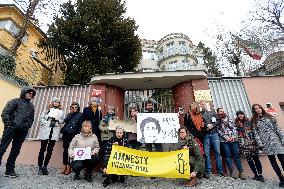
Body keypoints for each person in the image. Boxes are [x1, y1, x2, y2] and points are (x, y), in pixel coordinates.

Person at [0, 86, 36, 178]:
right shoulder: (15, 101)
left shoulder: (31, 106)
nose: (30, 95)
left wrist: (27, 126)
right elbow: (5, 113)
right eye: (29, 93)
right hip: (11, 128)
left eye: (32, 94)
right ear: (24, 92)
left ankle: (9, 170)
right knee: (2, 148)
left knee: (15, 150)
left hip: (22, 131)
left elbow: (31, 119)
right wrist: (9, 124)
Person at [252, 103, 284, 187]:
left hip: (276, 141)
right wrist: (260, 144)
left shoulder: (270, 117)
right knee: (273, 162)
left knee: (282, 160)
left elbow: (278, 129)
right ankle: (281, 179)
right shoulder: (254, 120)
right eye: (255, 109)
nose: (258, 109)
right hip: (266, 143)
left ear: (261, 108)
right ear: (254, 110)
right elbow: (256, 134)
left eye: (259, 108)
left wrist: (283, 139)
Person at [37, 97, 65, 175]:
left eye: (57, 102)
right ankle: (40, 166)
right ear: (52, 103)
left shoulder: (61, 112)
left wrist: (57, 120)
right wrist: (46, 122)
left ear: (59, 104)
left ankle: (45, 167)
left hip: (54, 131)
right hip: (46, 131)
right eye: (54, 102)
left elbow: (63, 120)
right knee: (42, 149)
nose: (56, 103)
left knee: (50, 150)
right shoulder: (47, 110)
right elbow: (41, 118)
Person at [235, 110, 264, 182]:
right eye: (239, 114)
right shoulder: (236, 124)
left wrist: (256, 141)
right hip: (244, 145)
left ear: (244, 115)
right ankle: (255, 174)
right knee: (249, 160)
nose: (241, 115)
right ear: (237, 116)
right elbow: (237, 134)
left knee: (256, 159)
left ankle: (260, 175)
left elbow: (254, 131)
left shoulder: (249, 121)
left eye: (242, 114)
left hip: (252, 143)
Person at [216, 108, 245, 179]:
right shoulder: (217, 120)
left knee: (236, 156)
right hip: (224, 141)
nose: (222, 112)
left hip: (233, 140)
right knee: (228, 156)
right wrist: (225, 137)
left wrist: (233, 137)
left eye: (223, 111)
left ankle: (241, 172)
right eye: (220, 111)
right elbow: (218, 130)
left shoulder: (229, 118)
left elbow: (234, 128)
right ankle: (231, 172)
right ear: (218, 113)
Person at [199, 100, 223, 178]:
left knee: (217, 152)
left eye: (204, 104)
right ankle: (208, 171)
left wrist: (212, 125)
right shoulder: (200, 114)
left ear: (206, 105)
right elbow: (200, 124)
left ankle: (220, 171)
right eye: (201, 104)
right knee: (207, 154)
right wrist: (206, 126)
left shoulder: (212, 112)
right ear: (200, 106)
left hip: (214, 134)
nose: (203, 105)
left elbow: (218, 121)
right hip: (206, 135)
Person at [60, 102, 83, 175]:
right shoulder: (70, 114)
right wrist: (71, 113)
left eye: (76, 107)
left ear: (78, 107)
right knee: (65, 150)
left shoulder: (80, 115)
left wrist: (78, 135)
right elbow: (65, 121)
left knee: (72, 151)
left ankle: (70, 166)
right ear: (71, 108)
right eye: (73, 107)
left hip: (73, 135)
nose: (74, 108)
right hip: (66, 134)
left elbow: (80, 126)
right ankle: (65, 165)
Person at [99, 105, 115, 173]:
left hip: (112, 138)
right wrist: (107, 129)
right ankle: (104, 168)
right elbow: (100, 126)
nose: (110, 111)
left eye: (112, 109)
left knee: (112, 153)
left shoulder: (115, 118)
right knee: (105, 153)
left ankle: (111, 168)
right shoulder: (104, 118)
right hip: (105, 137)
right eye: (109, 109)